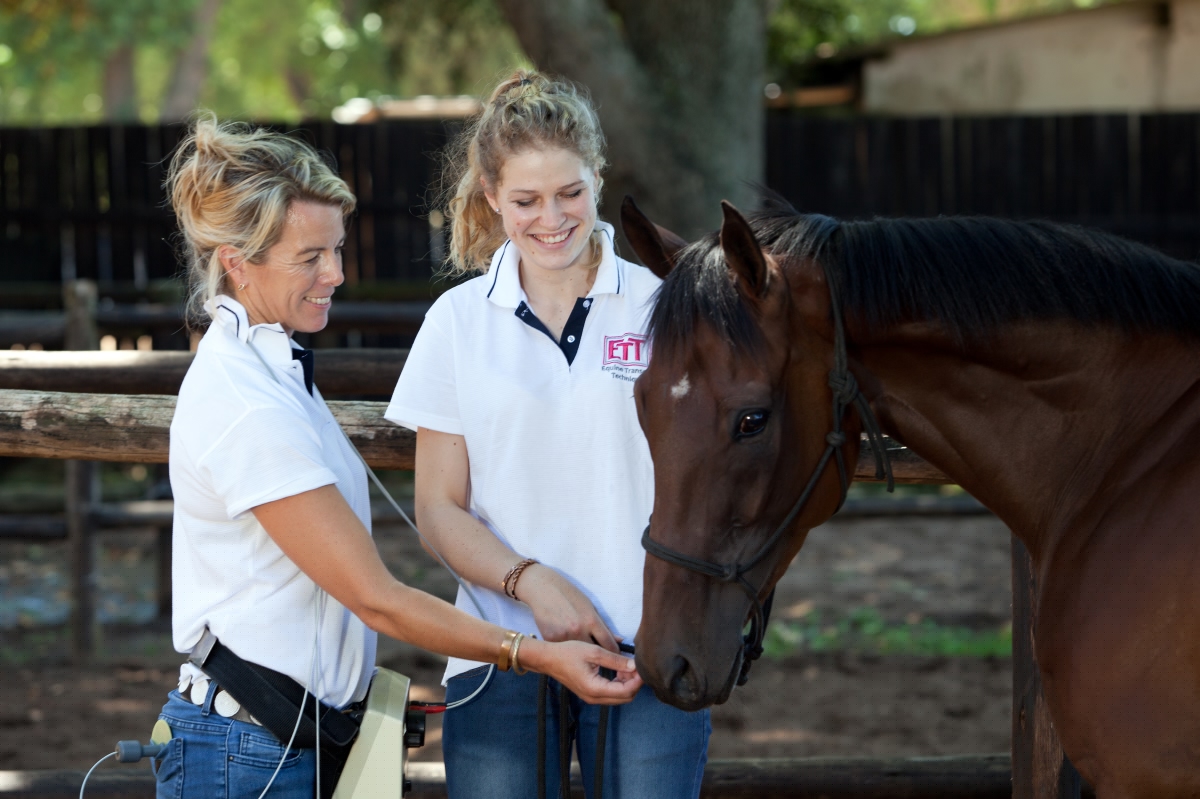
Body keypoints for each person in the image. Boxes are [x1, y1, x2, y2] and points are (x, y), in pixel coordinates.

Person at [155, 114, 640, 799]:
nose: (336, 274)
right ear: (237, 262)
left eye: (336, 249)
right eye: (310, 257)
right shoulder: (246, 401)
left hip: (289, 737)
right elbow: (376, 598)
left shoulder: (275, 368)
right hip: (249, 752)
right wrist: (530, 653)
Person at [385, 71, 711, 799]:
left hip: (650, 650)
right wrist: (531, 583)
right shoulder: (456, 321)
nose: (552, 218)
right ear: (491, 195)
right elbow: (437, 508)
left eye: (570, 193)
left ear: (598, 177)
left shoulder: (669, 307)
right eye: (526, 200)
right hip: (502, 651)